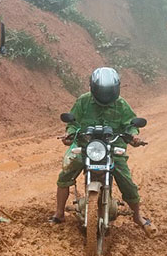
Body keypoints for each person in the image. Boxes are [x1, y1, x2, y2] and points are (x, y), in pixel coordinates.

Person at [50, 67, 154, 236]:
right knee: (65, 175)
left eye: (109, 92)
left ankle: (137, 216)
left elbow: (130, 125)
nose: (105, 95)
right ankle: (59, 214)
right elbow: (73, 123)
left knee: (127, 183)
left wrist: (133, 136)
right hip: (87, 147)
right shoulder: (83, 101)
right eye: (102, 91)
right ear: (93, 88)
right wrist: (69, 134)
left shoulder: (121, 105)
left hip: (113, 149)